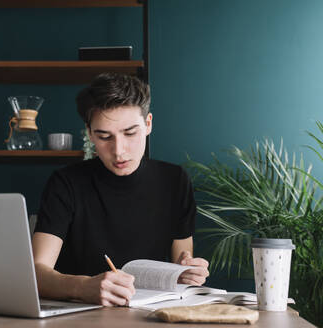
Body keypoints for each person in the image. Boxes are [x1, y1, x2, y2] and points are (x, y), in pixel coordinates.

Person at [32, 73, 209, 306]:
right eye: (104, 136)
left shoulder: (175, 180)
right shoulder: (66, 183)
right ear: (89, 133)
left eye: (130, 133)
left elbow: (181, 261)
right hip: (78, 314)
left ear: (148, 124)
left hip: (150, 314)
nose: (119, 151)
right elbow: (36, 273)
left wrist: (189, 270)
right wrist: (83, 287)